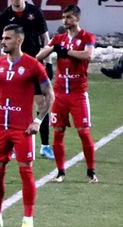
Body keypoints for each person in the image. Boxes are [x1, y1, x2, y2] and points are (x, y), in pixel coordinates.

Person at [0, 24, 54, 227]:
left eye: (7, 38)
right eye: (3, 38)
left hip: (22, 129)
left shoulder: (33, 65)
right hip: (1, 128)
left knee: (25, 170)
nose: (3, 41)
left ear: (19, 40)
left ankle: (28, 219)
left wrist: (38, 121)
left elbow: (49, 95)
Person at [36, 5, 98, 184]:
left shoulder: (87, 37)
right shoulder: (59, 38)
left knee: (84, 132)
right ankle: (60, 172)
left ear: (77, 18)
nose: (65, 20)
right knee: (58, 132)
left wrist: (66, 51)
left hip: (78, 94)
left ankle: (91, 172)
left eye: (69, 17)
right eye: (63, 17)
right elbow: (39, 56)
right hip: (60, 94)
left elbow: (88, 55)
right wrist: (52, 48)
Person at [0, 0, 55, 160]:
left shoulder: (35, 12)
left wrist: (48, 63)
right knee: (13, 105)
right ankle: (12, 146)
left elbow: (46, 39)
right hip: (13, 68)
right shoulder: (4, 16)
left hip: (34, 65)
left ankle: (45, 145)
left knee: (41, 102)